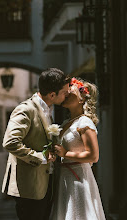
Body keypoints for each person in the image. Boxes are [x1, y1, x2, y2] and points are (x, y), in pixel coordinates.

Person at [1, 68, 71, 220]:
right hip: (29, 187)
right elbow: (10, 142)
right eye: (64, 92)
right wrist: (40, 157)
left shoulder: (48, 109)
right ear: (52, 94)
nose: (67, 94)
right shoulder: (26, 110)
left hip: (46, 184)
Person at [51, 77, 106, 220]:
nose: (67, 93)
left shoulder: (84, 122)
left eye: (71, 91)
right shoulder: (65, 123)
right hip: (63, 178)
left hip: (78, 179)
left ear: (82, 98)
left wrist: (65, 153)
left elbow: (93, 156)